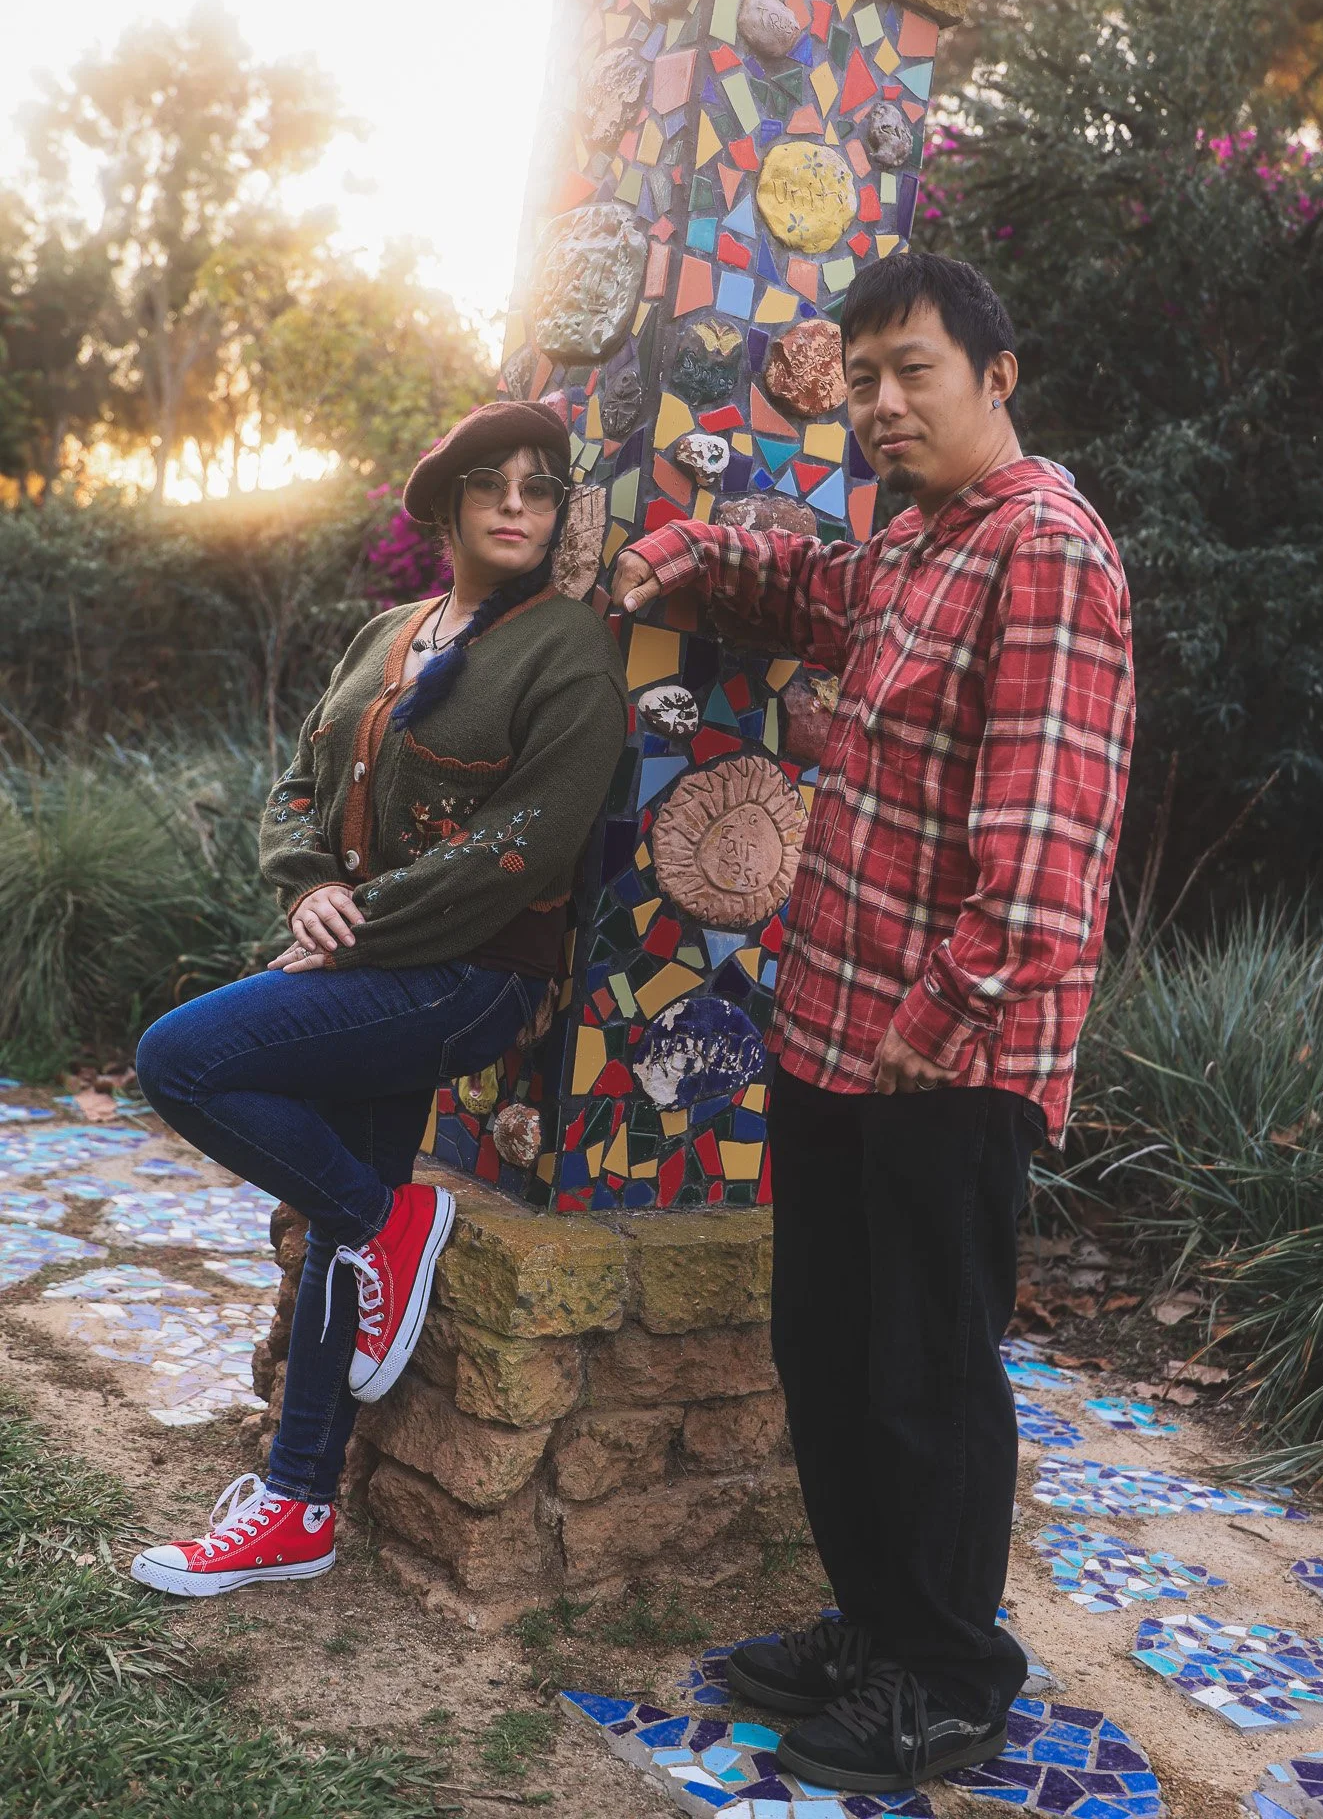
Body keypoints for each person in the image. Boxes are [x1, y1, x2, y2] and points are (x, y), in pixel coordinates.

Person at [611, 252, 1134, 1792]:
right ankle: (876, 1621)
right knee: (826, 1350)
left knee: (924, 1370)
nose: (883, 402)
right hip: (836, 1031)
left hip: (943, 1056)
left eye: (913, 369)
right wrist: (691, 549)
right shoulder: (913, 545)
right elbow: (816, 592)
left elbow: (1046, 854)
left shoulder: (1044, 550)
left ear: (997, 374)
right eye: (862, 380)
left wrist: (942, 1011)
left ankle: (953, 1677)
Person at [130, 400, 627, 1598]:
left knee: (179, 1059)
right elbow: (300, 782)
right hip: (367, 962)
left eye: (541, 487)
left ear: (558, 514)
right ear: (447, 506)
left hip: (470, 978)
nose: (517, 502)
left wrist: (359, 932)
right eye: (491, 483)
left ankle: (388, 1224)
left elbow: (530, 843)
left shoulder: (567, 650)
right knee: (346, 1224)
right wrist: (308, 890)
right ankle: (299, 1503)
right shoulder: (386, 632)